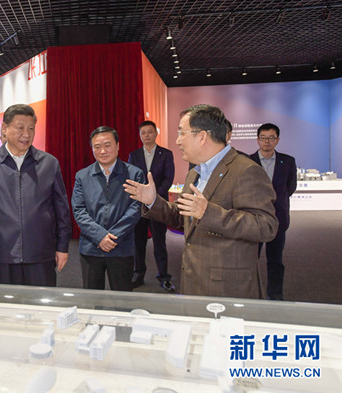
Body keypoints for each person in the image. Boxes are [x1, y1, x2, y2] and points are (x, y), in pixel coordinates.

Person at [124, 104, 278, 299]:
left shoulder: (246, 170)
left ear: (202, 136)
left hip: (227, 290)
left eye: (181, 133)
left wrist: (208, 213)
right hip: (193, 282)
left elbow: (266, 226)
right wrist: (153, 201)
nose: (178, 141)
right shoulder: (194, 173)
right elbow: (181, 217)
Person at [0, 104, 72, 286]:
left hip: (41, 253)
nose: (26, 134)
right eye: (20, 128)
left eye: (31, 129)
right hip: (4, 253)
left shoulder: (49, 163)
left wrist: (62, 246)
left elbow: (62, 209)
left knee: (42, 301)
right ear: (4, 129)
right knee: (6, 302)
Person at [72, 126, 143, 291]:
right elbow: (79, 210)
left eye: (107, 145)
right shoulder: (82, 176)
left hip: (121, 248)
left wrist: (112, 238)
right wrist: (100, 236)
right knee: (92, 298)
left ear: (117, 146)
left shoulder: (134, 174)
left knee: (122, 298)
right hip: (91, 249)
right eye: (97, 147)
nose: (102, 151)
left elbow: (135, 209)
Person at [250, 123, 297, 300]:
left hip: (278, 219)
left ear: (277, 140)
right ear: (258, 140)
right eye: (263, 138)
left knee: (275, 261)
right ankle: (250, 293)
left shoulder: (288, 161)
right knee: (250, 260)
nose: (267, 142)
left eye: (271, 138)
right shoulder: (247, 161)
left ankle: (275, 296)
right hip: (253, 219)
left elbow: (290, 187)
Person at [128, 121, 175, 292]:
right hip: (139, 206)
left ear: (156, 133)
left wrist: (154, 197)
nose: (146, 135)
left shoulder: (166, 154)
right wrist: (143, 197)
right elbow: (131, 178)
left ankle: (164, 277)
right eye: (143, 133)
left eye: (150, 132)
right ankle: (138, 274)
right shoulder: (134, 155)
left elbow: (168, 178)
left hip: (158, 205)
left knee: (159, 242)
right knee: (138, 242)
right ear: (140, 136)